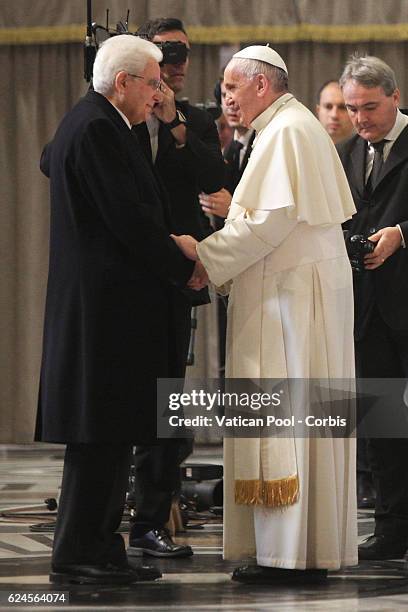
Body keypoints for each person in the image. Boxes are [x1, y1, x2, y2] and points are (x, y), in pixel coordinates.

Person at [172, 45, 358, 584]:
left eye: (232, 86)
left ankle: (294, 556)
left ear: (260, 84)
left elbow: (267, 223)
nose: (225, 96)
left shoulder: (288, 130)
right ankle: (289, 552)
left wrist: (203, 256)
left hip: (295, 301)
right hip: (290, 290)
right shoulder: (284, 126)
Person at [35, 34, 204, 585]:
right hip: (102, 314)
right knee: (99, 436)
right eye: (153, 82)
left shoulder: (102, 125)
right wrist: (183, 262)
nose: (159, 94)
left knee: (110, 434)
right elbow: (129, 222)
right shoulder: (96, 129)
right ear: (124, 81)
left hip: (109, 312)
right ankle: (80, 554)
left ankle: (100, 546)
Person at [127, 17, 225, 559]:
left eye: (185, 52)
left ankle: (150, 518)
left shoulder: (198, 120)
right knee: (123, 397)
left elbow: (215, 178)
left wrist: (177, 126)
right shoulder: (115, 112)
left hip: (178, 278)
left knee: (170, 403)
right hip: (128, 279)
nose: (178, 62)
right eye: (167, 51)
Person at [338, 55, 408, 561]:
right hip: (368, 309)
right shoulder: (345, 153)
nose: (360, 118)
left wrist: (402, 235)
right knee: (384, 424)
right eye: (351, 108)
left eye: (369, 107)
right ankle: (392, 527)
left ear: (395, 97)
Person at [316, 80, 354, 144]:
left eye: (342, 107)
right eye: (328, 107)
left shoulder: (367, 151)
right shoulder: (304, 147)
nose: (334, 115)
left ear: (353, 112)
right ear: (318, 111)